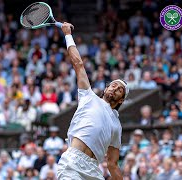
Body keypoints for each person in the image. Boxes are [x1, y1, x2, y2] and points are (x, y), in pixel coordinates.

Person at [57, 22, 129, 179]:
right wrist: (68, 35)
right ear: (105, 89)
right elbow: (78, 64)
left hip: (93, 171)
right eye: (113, 85)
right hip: (72, 164)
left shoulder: (117, 126)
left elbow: (112, 164)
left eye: (119, 90)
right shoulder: (88, 96)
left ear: (121, 100)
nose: (114, 88)